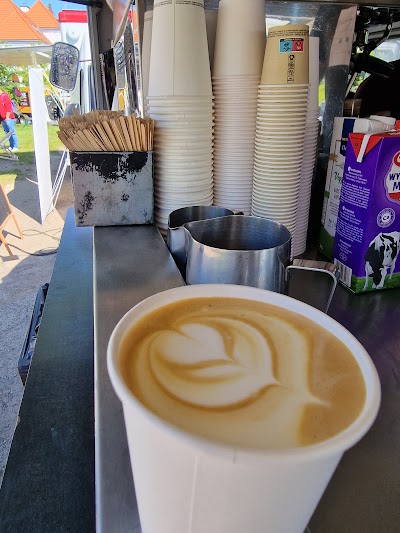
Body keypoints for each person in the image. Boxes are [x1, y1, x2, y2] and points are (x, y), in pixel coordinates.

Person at [0, 88, 19, 152]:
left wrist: (7, 117)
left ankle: (15, 146)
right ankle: (11, 146)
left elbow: (9, 108)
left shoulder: (4, 96)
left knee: (12, 132)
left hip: (8, 118)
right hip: (3, 118)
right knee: (7, 133)